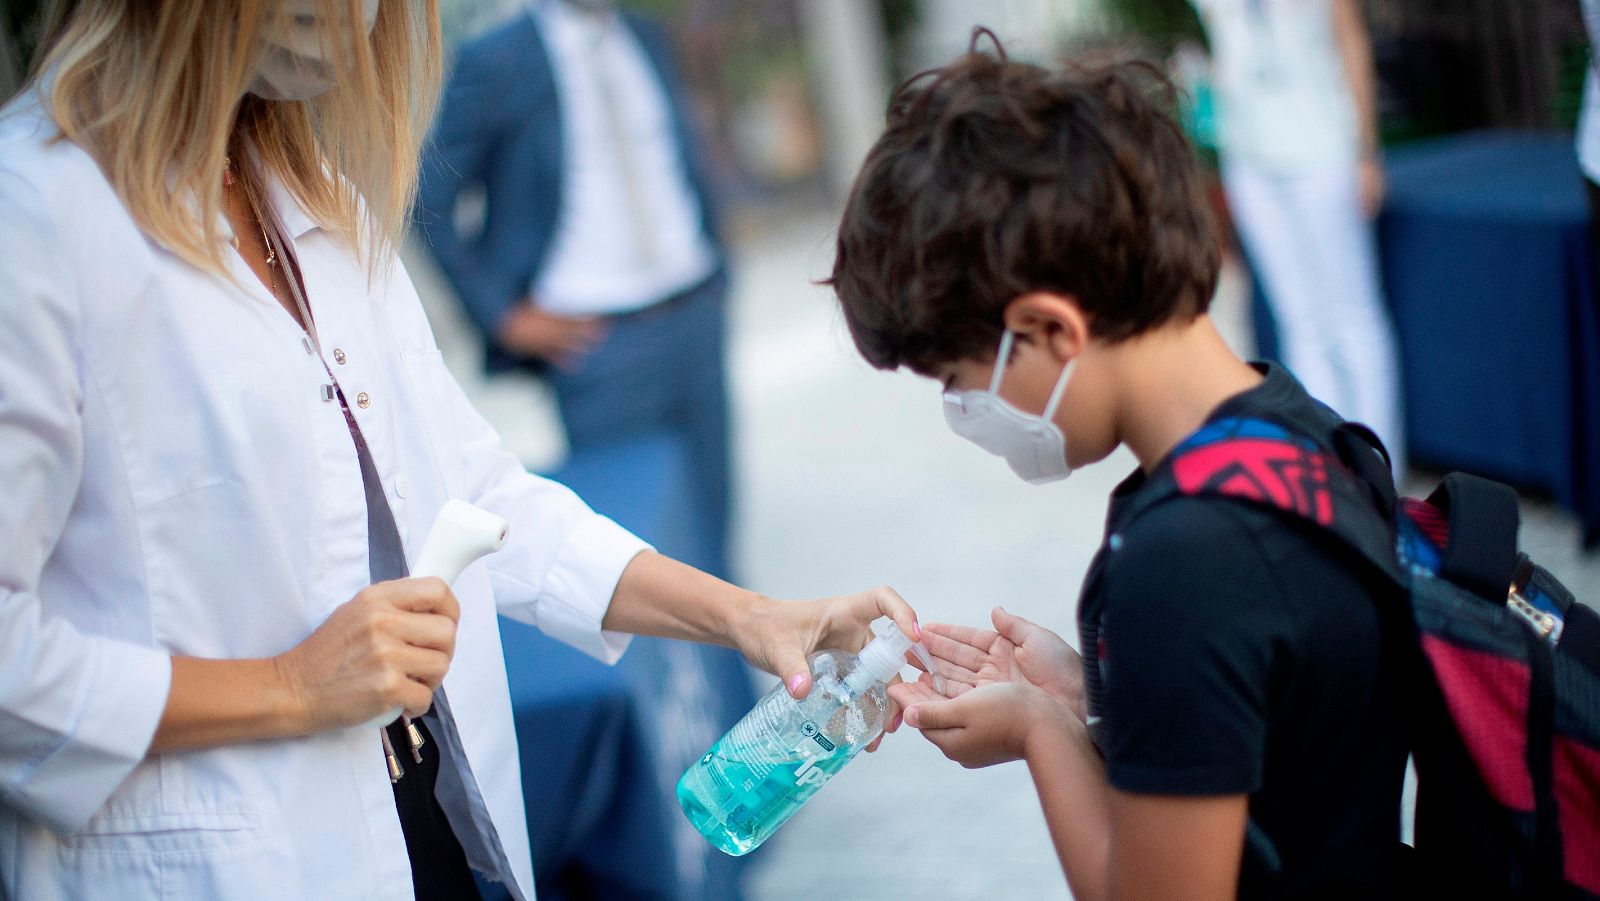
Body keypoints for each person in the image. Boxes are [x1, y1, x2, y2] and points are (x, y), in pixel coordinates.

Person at [0, 3, 916, 899]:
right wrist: (288, 686)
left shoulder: (312, 195)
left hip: (419, 819)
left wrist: (749, 615)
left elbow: (478, 496)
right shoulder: (32, 220)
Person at [827, 35, 1409, 899]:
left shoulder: (1185, 562)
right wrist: (1095, 699)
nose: (960, 412)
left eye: (956, 379)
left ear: (1053, 329)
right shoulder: (1302, 430)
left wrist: (1041, 733)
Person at [416, 0, 736, 581]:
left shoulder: (643, 35)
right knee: (639, 564)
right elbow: (427, 197)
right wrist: (502, 317)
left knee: (718, 539)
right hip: (597, 349)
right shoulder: (501, 58)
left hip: (693, 315)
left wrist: (718, 273)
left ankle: (750, 671)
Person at [1194, 0, 1406, 474]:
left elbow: (1351, 40)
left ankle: (1381, 472)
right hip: (1249, 156)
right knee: (1300, 322)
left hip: (1323, 145)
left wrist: (1367, 150)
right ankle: (1333, 469)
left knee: (1353, 319)